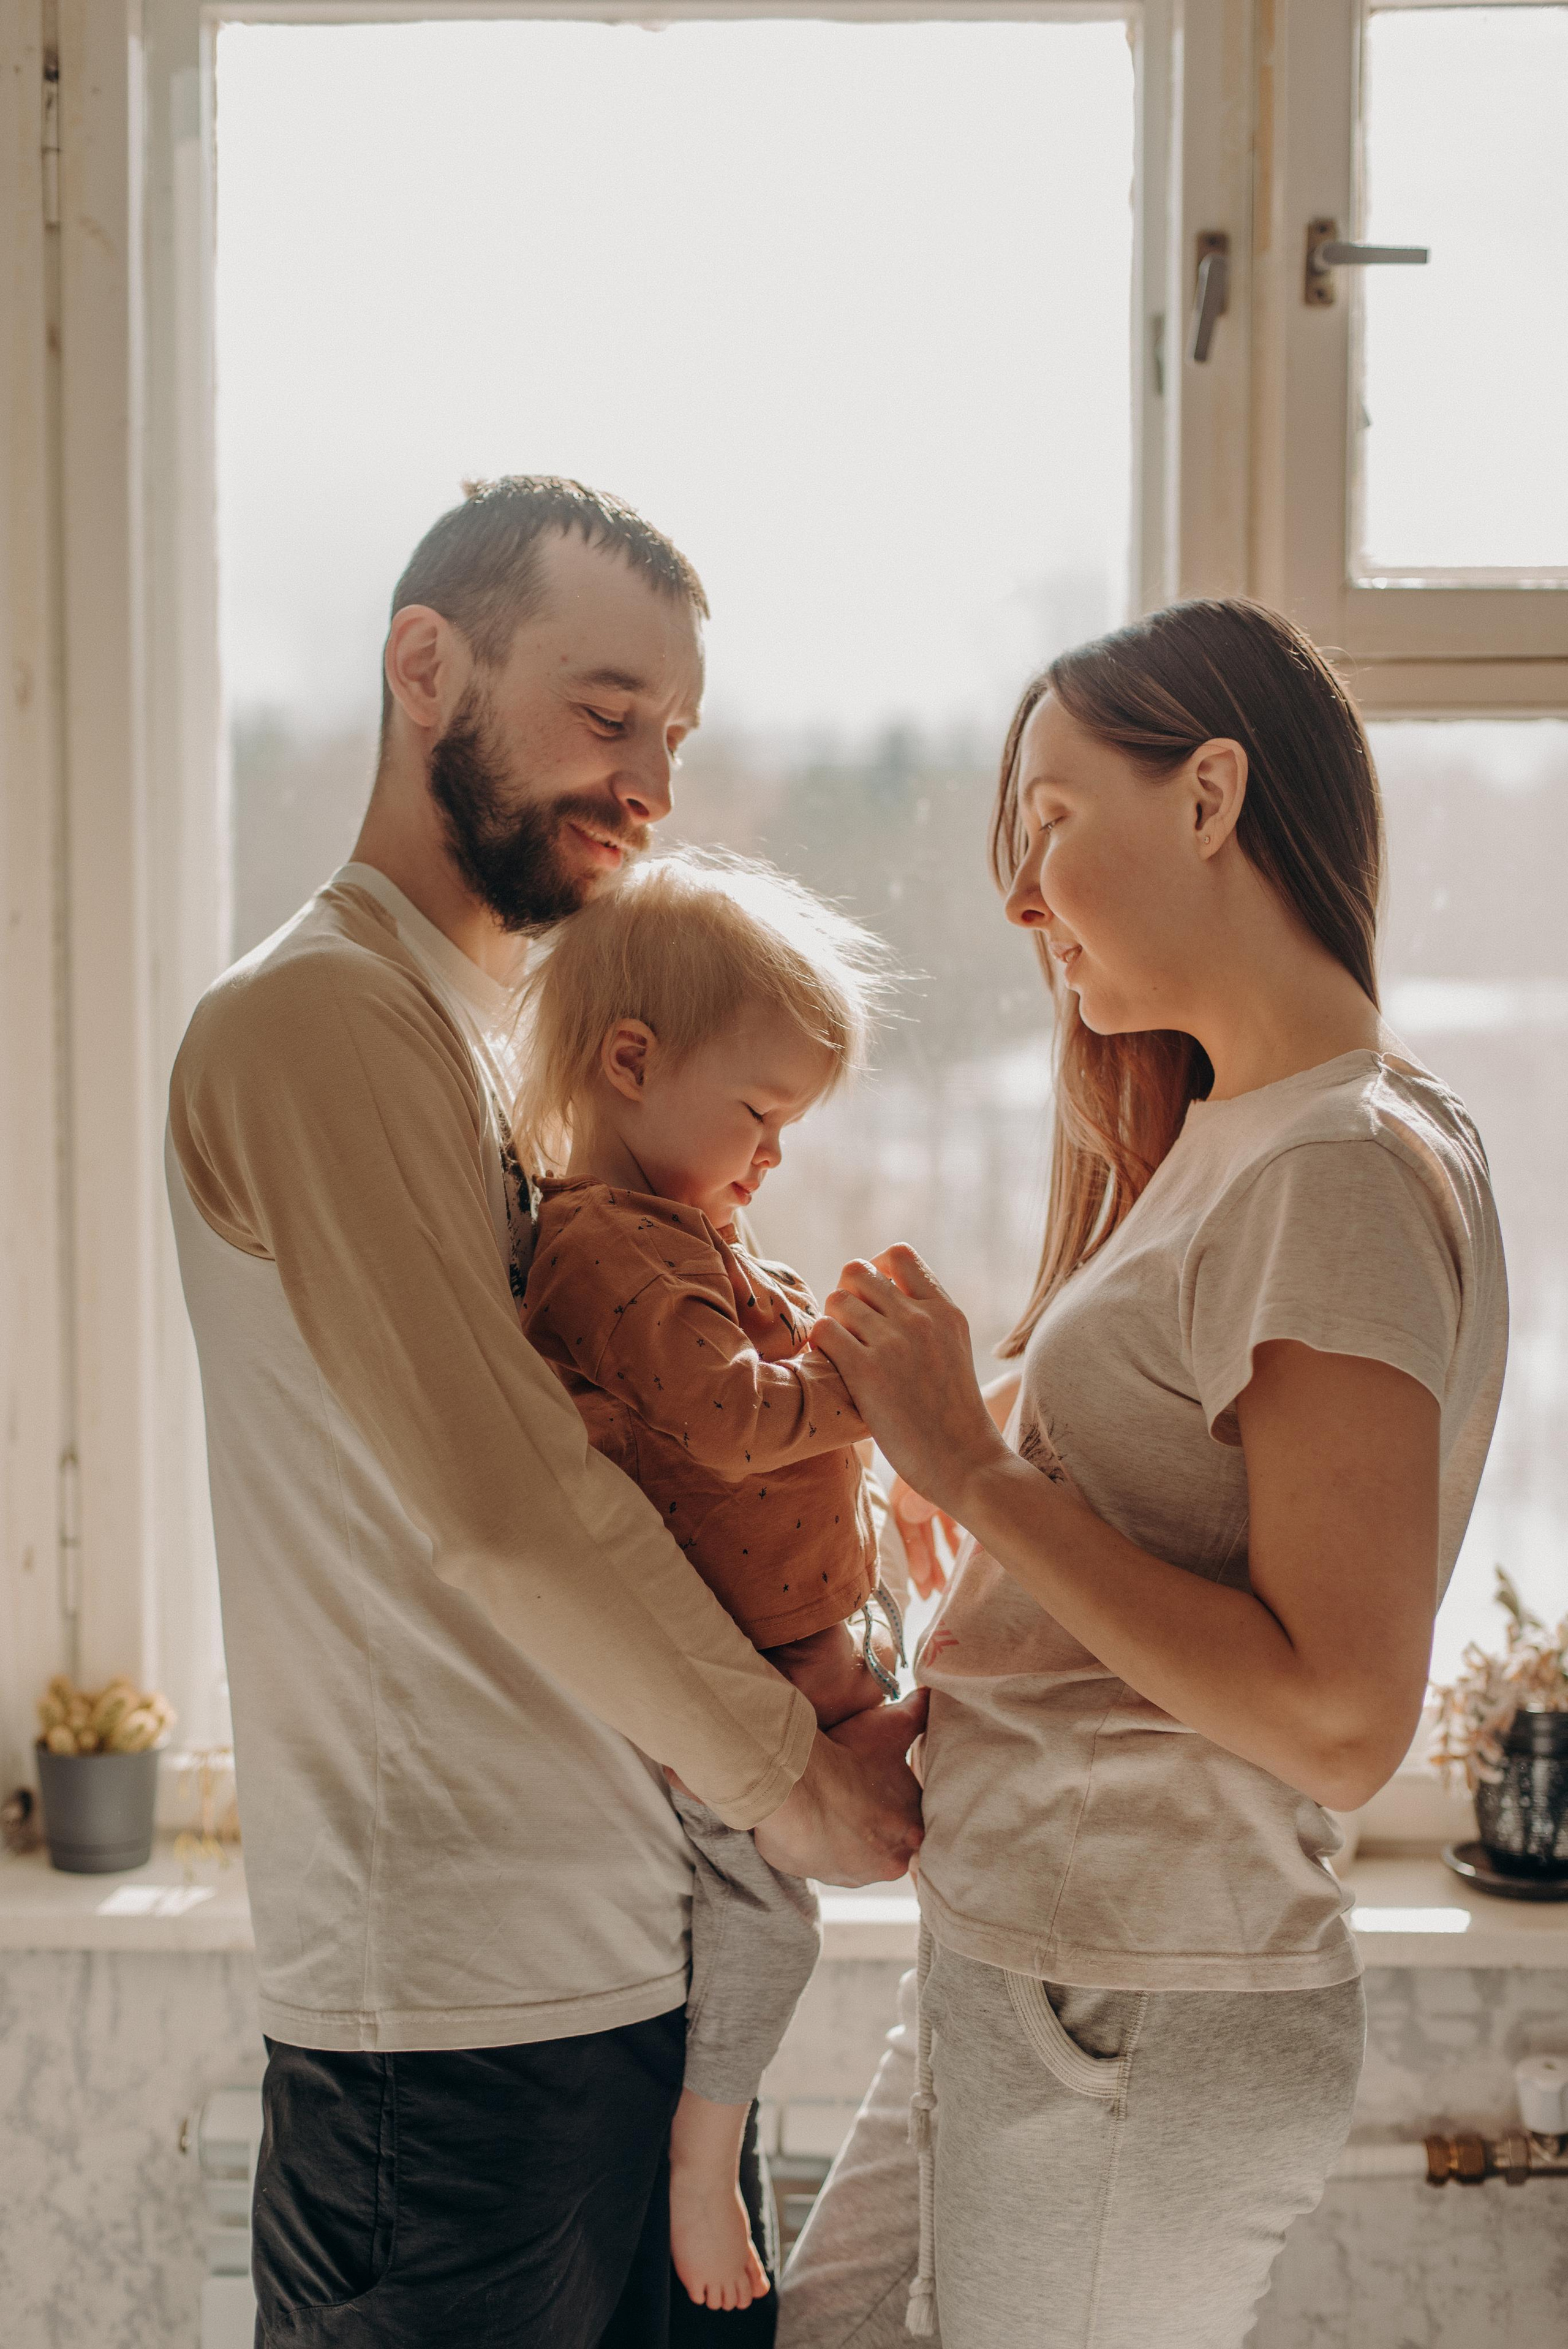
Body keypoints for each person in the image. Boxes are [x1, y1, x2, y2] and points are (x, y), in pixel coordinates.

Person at [165, 476, 924, 2349]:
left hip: (629, 1994)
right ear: (426, 668)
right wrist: (799, 1779)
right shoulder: (320, 1019)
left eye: (674, 735)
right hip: (452, 2048)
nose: (651, 779)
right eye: (607, 713)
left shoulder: (516, 1058)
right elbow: (504, 1500)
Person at [780, 598, 1508, 2349]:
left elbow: (1339, 1717)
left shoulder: (1334, 1166)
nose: (1019, 899)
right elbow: (1186, 1456)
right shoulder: (1243, 1135)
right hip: (1043, 1953)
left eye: (1048, 821)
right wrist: (985, 1448)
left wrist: (979, 1466)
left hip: (1132, 1995)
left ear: (1207, 798)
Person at [516, 852, 908, 2318]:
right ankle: (704, 2151)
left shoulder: (680, 1234)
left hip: (812, 1639)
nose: (774, 1156)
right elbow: (734, 1421)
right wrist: (879, 1389)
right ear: (631, 1063)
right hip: (741, 1678)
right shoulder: (600, 1249)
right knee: (765, 1920)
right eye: (758, 1116)